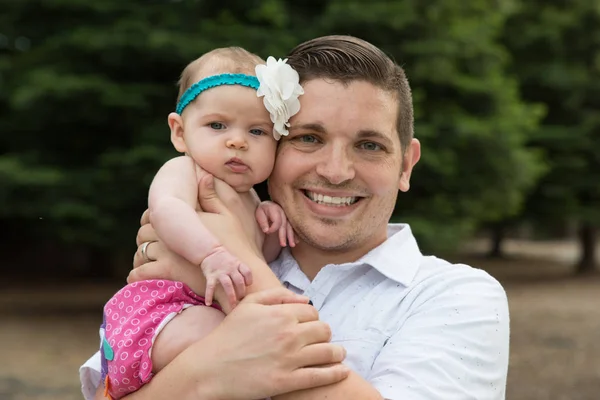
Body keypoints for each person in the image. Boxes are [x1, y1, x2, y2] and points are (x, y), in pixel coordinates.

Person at [81, 35, 510, 400]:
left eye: (370, 146)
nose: (335, 171)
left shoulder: (455, 297)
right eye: (309, 138)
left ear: (406, 166)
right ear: (277, 149)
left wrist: (239, 270)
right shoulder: (178, 270)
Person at [96, 47, 305, 399]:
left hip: (203, 321)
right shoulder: (186, 171)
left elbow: (255, 258)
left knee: (243, 343)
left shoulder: (254, 200)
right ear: (179, 132)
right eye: (217, 125)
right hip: (158, 316)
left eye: (257, 131)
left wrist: (272, 226)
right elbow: (166, 210)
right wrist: (210, 255)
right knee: (233, 338)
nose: (237, 140)